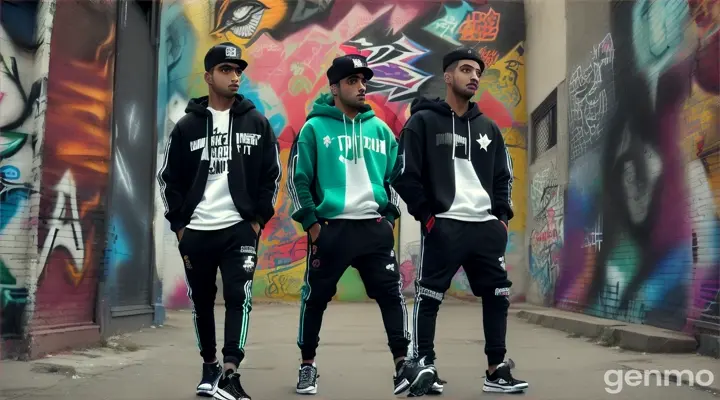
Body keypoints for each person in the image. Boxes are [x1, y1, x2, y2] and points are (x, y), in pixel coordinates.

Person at [286, 54, 435, 397]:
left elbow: (397, 175)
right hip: (331, 229)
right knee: (315, 298)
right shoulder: (314, 128)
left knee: (391, 294)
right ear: (334, 88)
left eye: (363, 80)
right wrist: (311, 224)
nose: (361, 87)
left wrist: (390, 218)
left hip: (373, 229)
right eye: (352, 81)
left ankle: (402, 366)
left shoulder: (380, 130)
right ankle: (307, 366)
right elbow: (298, 179)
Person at [390, 48, 529, 395]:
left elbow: (504, 177)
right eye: (465, 70)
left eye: (478, 72)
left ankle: (496, 370)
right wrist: (427, 216)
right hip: (444, 225)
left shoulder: (489, 128)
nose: (474, 76)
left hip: (484, 229)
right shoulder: (422, 122)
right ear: (448, 76)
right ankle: (426, 366)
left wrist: (501, 219)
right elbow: (404, 174)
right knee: (429, 296)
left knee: (497, 295)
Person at [157, 42, 281, 400]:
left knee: (238, 295)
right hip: (196, 231)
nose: (235, 77)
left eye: (238, 71)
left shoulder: (256, 122)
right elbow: (169, 178)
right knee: (202, 301)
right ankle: (209, 365)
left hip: (239, 228)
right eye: (226, 70)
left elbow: (271, 176)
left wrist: (256, 220)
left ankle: (230, 370)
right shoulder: (186, 127)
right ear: (209, 76)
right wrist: (180, 226)